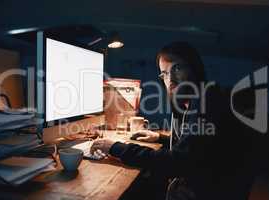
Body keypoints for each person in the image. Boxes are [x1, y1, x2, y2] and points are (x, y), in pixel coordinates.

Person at [91, 42, 256, 200]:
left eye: (176, 68)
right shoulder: (195, 100)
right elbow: (198, 145)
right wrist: (160, 138)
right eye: (164, 74)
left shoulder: (210, 102)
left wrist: (115, 147)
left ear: (195, 68)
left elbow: (178, 161)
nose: (170, 79)